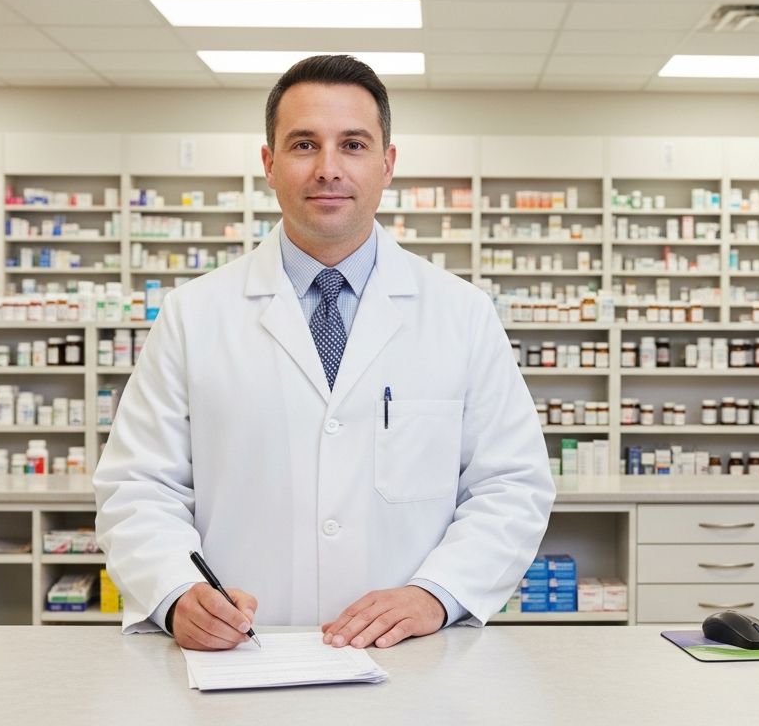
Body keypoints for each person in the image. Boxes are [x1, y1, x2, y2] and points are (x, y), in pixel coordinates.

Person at [94, 54, 555, 652]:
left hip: (411, 659)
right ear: (269, 163)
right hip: (242, 657)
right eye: (304, 144)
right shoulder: (193, 313)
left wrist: (436, 593)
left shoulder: (461, 313)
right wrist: (177, 591)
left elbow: (513, 485)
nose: (328, 169)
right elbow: (137, 486)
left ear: (387, 165)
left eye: (354, 145)